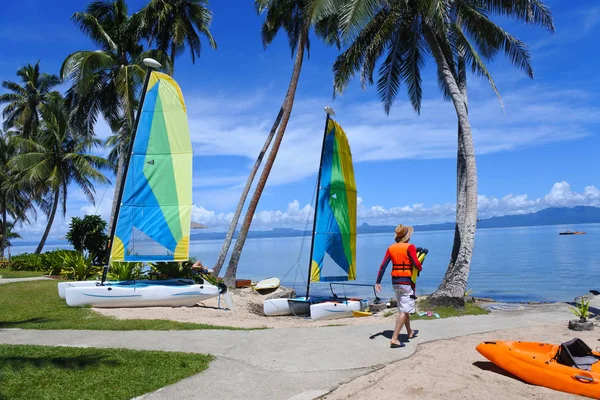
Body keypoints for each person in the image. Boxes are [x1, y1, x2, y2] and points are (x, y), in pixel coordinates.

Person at [375, 224, 422, 348]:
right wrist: (420, 267)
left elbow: (383, 266)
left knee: (403, 308)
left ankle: (410, 332)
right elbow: (416, 262)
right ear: (408, 237)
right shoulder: (410, 247)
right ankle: (394, 338)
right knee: (404, 310)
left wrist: (378, 282)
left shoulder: (391, 248)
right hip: (406, 282)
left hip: (395, 282)